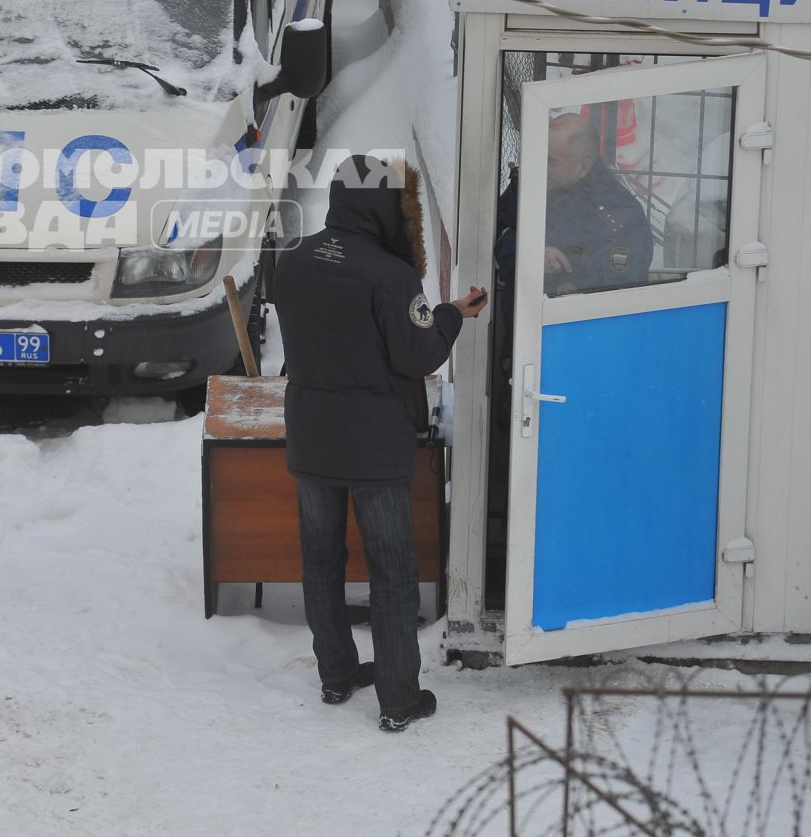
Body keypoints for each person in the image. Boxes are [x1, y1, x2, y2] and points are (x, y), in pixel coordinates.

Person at [273, 154, 487, 732]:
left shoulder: (291, 260)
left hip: (312, 437)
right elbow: (417, 355)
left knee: (321, 562)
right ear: (389, 206)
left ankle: (336, 676)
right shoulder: (390, 276)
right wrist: (451, 316)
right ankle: (398, 698)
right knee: (391, 571)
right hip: (374, 446)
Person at [496, 113, 653, 298]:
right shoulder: (531, 183)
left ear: (583, 167)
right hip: (518, 318)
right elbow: (492, 234)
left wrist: (560, 266)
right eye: (537, 157)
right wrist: (530, 252)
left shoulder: (620, 212)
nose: (539, 167)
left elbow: (617, 288)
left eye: (550, 162)